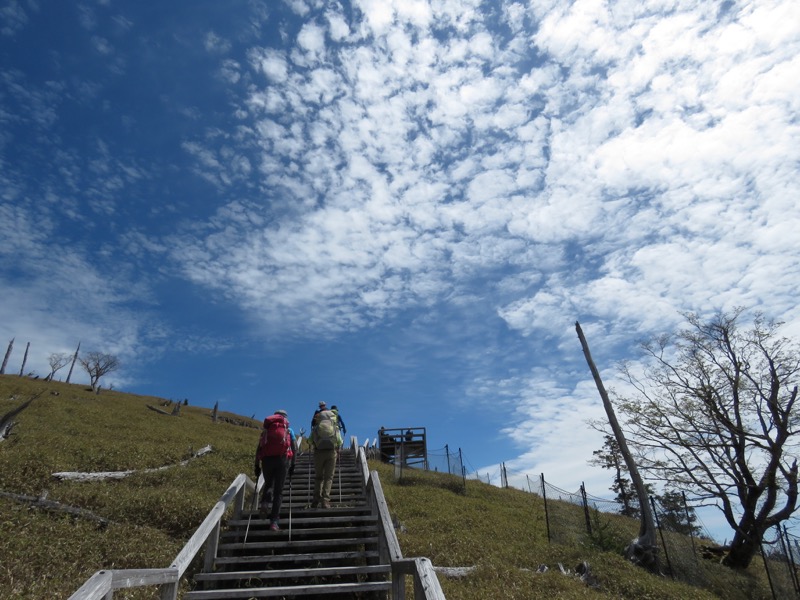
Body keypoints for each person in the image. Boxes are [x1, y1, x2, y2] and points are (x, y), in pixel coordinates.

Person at [254, 409, 297, 531]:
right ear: (285, 418)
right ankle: (274, 522)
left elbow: (259, 449)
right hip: (282, 461)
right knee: (278, 492)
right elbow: (294, 449)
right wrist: (293, 465)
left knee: (268, 484)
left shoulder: (266, 431)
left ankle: (264, 504)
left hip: (267, 460)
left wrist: (256, 466)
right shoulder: (288, 430)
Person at [310, 403, 342, 509]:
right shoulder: (334, 425)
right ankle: (325, 501)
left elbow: (310, 440)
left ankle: (315, 500)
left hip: (318, 452)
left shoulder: (317, 426)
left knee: (318, 477)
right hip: (331, 453)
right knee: (328, 477)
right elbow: (339, 441)